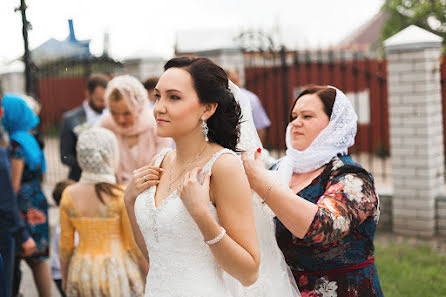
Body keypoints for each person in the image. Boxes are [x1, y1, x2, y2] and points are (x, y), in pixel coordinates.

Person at [123, 57, 263, 297]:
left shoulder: (223, 166)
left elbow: (249, 273)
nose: (159, 107)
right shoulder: (160, 161)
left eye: (174, 97)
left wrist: (201, 215)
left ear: (207, 108)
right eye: (158, 96)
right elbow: (156, 256)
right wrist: (129, 201)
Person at [242, 85, 383, 297]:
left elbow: (321, 227)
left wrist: (259, 182)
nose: (296, 122)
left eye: (307, 116)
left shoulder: (352, 178)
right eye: (294, 116)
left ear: (333, 125)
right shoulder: (279, 170)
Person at [59, 127, 145, 297]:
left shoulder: (68, 195)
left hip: (82, 270)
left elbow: (65, 246)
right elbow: (133, 243)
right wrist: (148, 270)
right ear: (110, 156)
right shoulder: (120, 195)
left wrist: (64, 277)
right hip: (116, 270)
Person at [1, 94, 51, 297]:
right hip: (37, 200)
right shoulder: (31, 138)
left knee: (17, 258)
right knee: (39, 258)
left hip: (22, 206)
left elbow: (12, 185)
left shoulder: (15, 144)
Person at [100, 75, 171, 185]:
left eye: (127, 113)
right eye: (114, 113)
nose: (120, 120)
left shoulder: (156, 124)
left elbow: (163, 165)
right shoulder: (105, 126)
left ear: (139, 107)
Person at [0, 92, 37, 297]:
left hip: (19, 212)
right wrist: (21, 234)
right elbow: (8, 194)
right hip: (14, 217)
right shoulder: (25, 140)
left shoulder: (13, 143)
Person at [60, 73, 109, 181]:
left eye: (106, 99)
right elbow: (65, 156)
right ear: (88, 94)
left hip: (109, 180)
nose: (104, 104)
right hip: (80, 179)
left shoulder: (113, 116)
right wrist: (90, 164)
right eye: (99, 100)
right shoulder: (70, 119)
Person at [226, 67, 271, 144]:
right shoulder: (251, 98)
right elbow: (260, 127)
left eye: (233, 80)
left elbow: (260, 127)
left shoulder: (251, 99)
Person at [51, 179, 76, 297]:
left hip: (60, 273)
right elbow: (71, 250)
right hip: (64, 274)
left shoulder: (64, 223)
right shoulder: (64, 227)